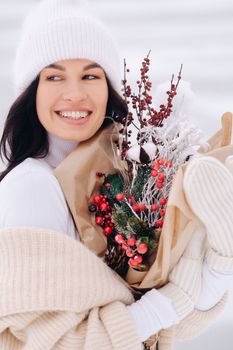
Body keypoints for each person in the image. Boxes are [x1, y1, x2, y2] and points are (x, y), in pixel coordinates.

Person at [0, 0, 232, 349]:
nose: (75, 93)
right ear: (31, 92)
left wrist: (210, 267)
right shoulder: (32, 186)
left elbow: (167, 327)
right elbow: (53, 342)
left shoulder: (120, 177)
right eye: (54, 76)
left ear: (110, 88)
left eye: (91, 75)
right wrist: (171, 301)